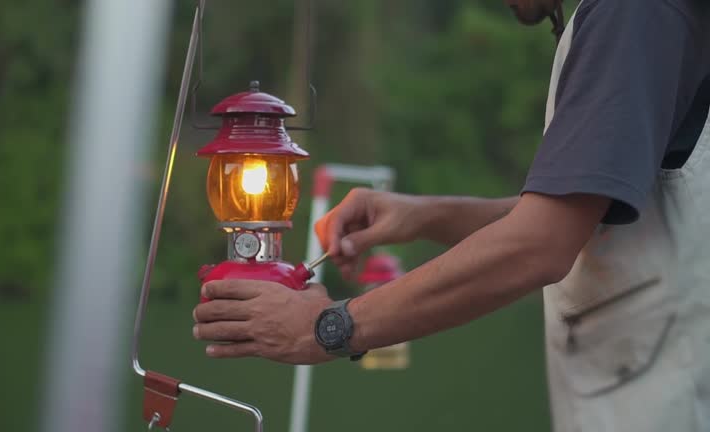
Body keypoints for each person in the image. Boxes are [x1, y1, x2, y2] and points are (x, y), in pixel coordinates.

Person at [192, 0, 710, 430]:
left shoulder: (635, 13)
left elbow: (542, 243)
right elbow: (582, 217)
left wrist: (325, 327)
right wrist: (424, 215)